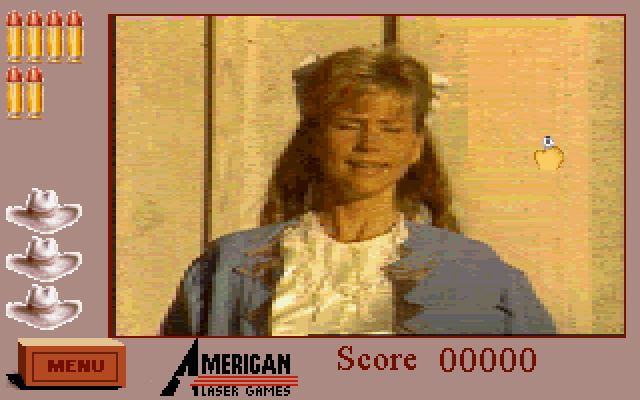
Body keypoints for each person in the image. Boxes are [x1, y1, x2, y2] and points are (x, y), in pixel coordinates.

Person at [160, 45, 556, 336]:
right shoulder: (227, 267)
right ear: (314, 138)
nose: (369, 143)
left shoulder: (478, 272)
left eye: (391, 129)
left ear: (416, 146)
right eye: (349, 125)